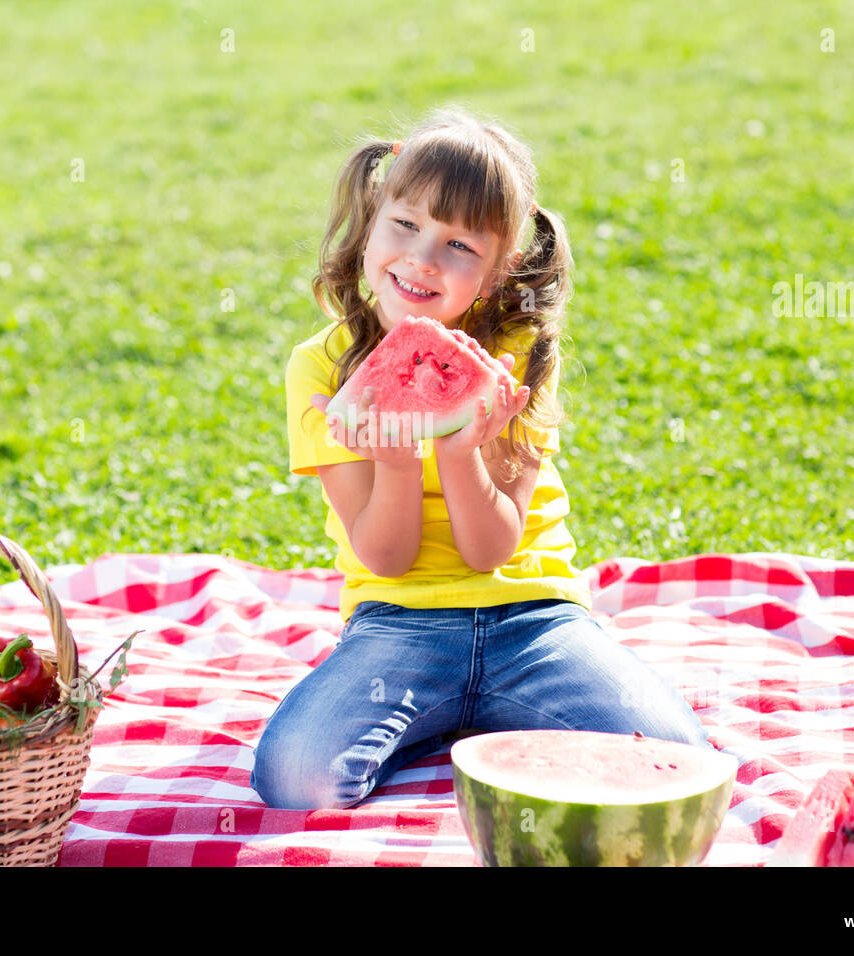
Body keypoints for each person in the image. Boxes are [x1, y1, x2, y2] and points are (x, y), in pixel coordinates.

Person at [251, 106, 709, 810]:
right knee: (297, 780)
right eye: (404, 225)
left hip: (533, 616)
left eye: (459, 246)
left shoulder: (516, 356)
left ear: (497, 275)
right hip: (397, 620)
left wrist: (462, 449)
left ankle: (477, 714)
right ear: (372, 221)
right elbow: (386, 557)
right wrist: (400, 464)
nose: (422, 260)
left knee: (674, 762)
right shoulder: (321, 369)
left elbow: (491, 547)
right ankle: (444, 715)